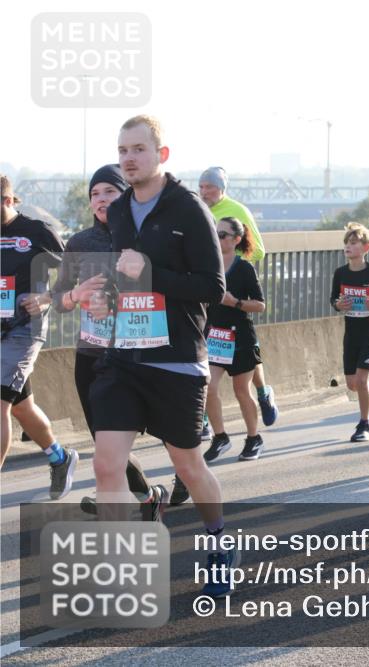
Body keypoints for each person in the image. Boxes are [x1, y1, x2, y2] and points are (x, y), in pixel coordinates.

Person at [87, 115, 236, 597]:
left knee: (189, 466)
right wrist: (107, 294)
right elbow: (126, 278)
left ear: (161, 155)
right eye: (122, 150)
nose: (129, 158)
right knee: (106, 464)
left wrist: (149, 272)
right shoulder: (120, 210)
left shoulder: (188, 209)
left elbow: (212, 288)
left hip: (175, 359)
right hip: (124, 357)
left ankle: (218, 543)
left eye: (138, 149)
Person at [50, 164, 167, 518]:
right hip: (90, 354)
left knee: (109, 446)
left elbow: (163, 293)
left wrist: (118, 301)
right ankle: (147, 497)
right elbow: (58, 300)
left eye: (109, 192)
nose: (101, 199)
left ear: (126, 195)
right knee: (102, 440)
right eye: (94, 194)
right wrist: (77, 294)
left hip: (133, 354)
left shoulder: (145, 237)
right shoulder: (80, 242)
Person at [0, 175, 78, 499]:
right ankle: (60, 458)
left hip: (23, 330)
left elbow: (74, 270)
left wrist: (45, 299)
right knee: (21, 407)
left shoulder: (36, 232)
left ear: (7, 200)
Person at [199, 167, 277, 428]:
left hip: (239, 290)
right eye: (201, 186)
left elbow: (259, 251)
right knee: (213, 371)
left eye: (209, 186)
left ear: (221, 188)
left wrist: (234, 267)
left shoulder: (237, 210)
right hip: (214, 299)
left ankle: (264, 394)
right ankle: (209, 421)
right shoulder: (199, 209)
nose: (205, 191)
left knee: (245, 356)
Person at [203, 217, 267, 462]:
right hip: (215, 336)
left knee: (242, 391)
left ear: (236, 240)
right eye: (215, 233)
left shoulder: (243, 268)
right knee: (208, 386)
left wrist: (235, 302)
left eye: (223, 235)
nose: (217, 239)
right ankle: (220, 437)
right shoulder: (209, 265)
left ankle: (253, 438)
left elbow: (260, 305)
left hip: (240, 337)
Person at [330, 223, 369, 442]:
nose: (348, 246)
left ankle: (365, 424)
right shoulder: (340, 273)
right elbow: (333, 299)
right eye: (346, 243)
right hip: (351, 330)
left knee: (360, 379)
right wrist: (339, 305)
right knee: (351, 384)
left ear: (365, 247)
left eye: (353, 243)